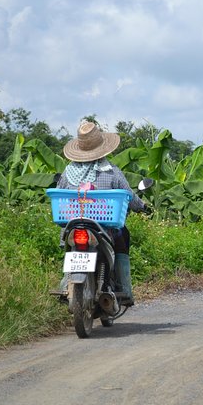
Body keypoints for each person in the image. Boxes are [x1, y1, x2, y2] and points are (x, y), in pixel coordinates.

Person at [57, 120, 146, 306]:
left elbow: (59, 191)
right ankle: (124, 288)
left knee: (67, 245)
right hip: (105, 227)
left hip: (73, 225)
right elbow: (129, 195)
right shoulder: (111, 171)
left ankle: (66, 282)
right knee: (123, 236)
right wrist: (141, 206)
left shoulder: (68, 172)